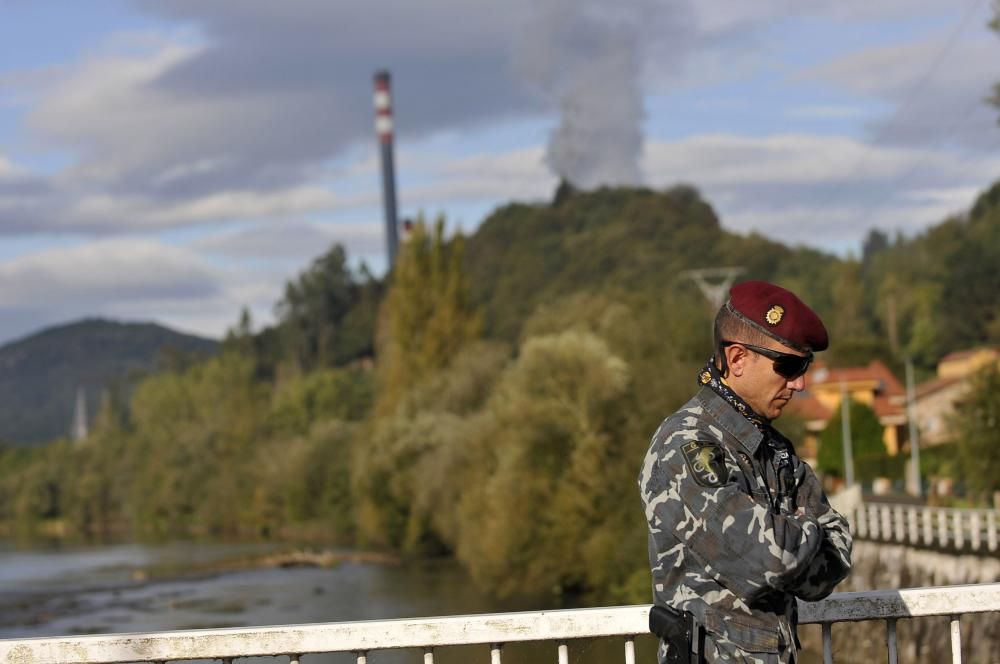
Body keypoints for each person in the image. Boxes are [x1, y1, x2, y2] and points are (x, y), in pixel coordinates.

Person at [638, 280, 852, 664]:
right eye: (788, 366)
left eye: (804, 366)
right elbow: (771, 559)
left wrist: (788, 538)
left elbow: (834, 562)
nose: (800, 383)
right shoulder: (685, 444)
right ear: (737, 359)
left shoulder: (772, 449)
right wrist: (805, 530)